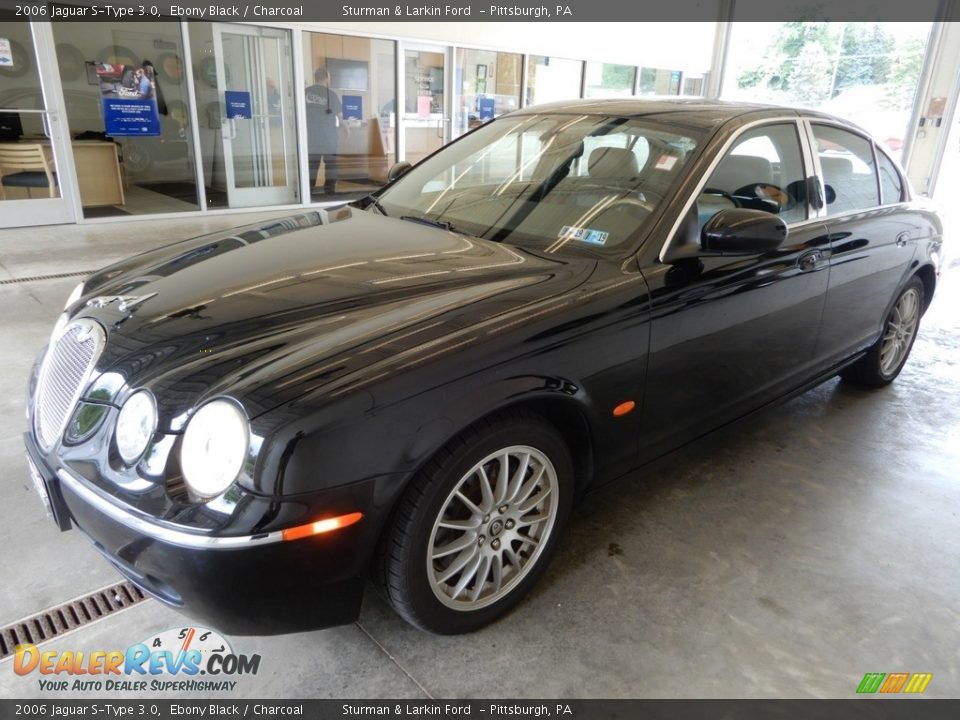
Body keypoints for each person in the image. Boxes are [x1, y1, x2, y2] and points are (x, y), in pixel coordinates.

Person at [304, 66, 342, 196]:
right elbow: (340, 117)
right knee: (331, 165)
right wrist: (346, 130)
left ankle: (309, 191)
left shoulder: (305, 92)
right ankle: (329, 191)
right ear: (326, 78)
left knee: (312, 165)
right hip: (328, 137)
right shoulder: (331, 94)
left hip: (310, 137)